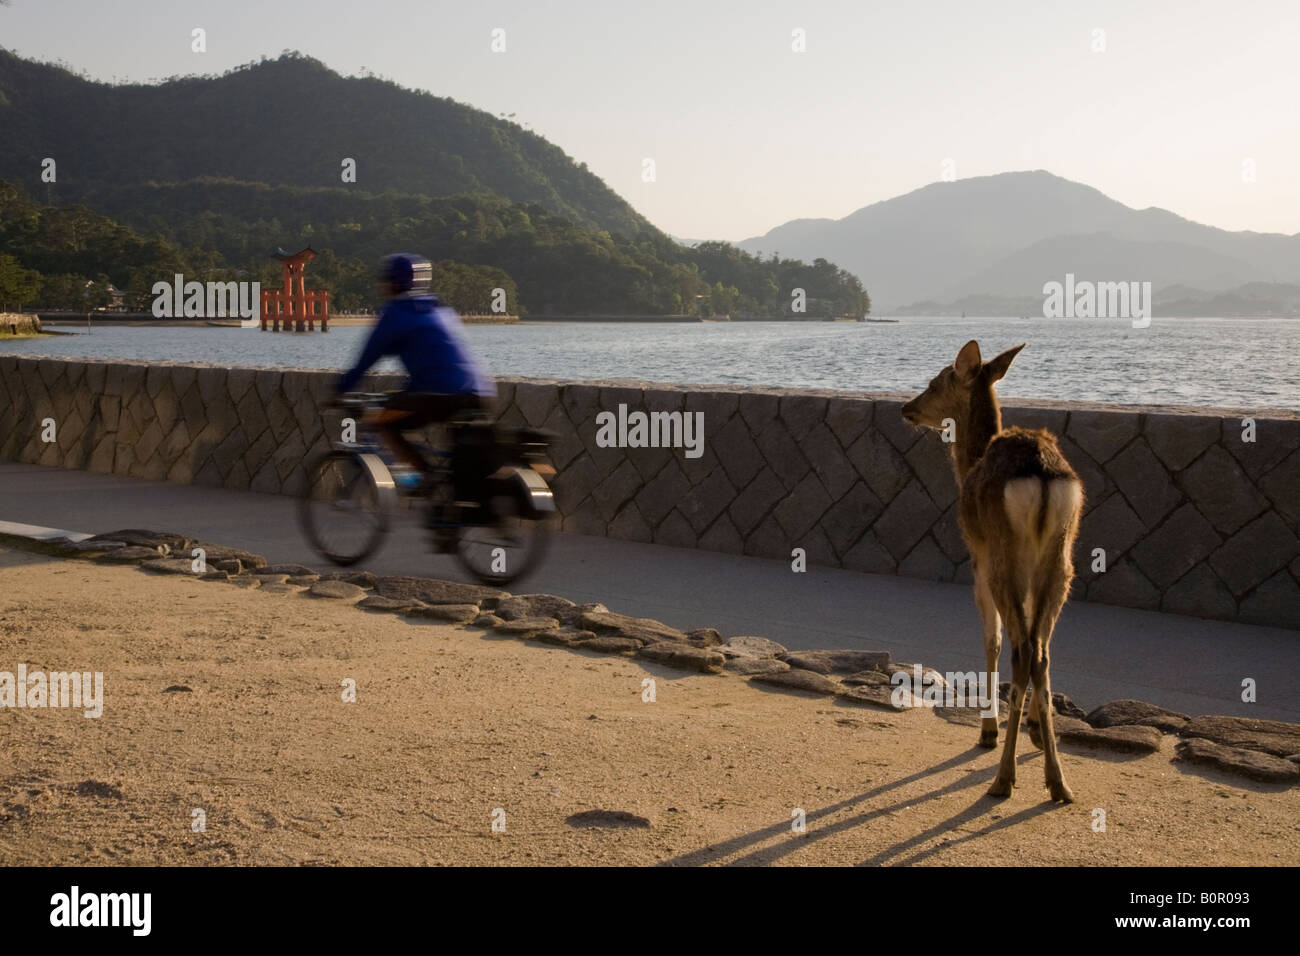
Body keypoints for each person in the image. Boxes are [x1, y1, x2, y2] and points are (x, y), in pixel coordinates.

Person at [335, 253, 496, 511]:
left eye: (385, 280)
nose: (382, 286)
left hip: (437, 394)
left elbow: (365, 362)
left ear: (394, 283)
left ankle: (425, 477)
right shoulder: (442, 310)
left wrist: (339, 389)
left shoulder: (395, 314)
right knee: (460, 450)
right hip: (479, 391)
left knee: (385, 424)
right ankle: (451, 506)